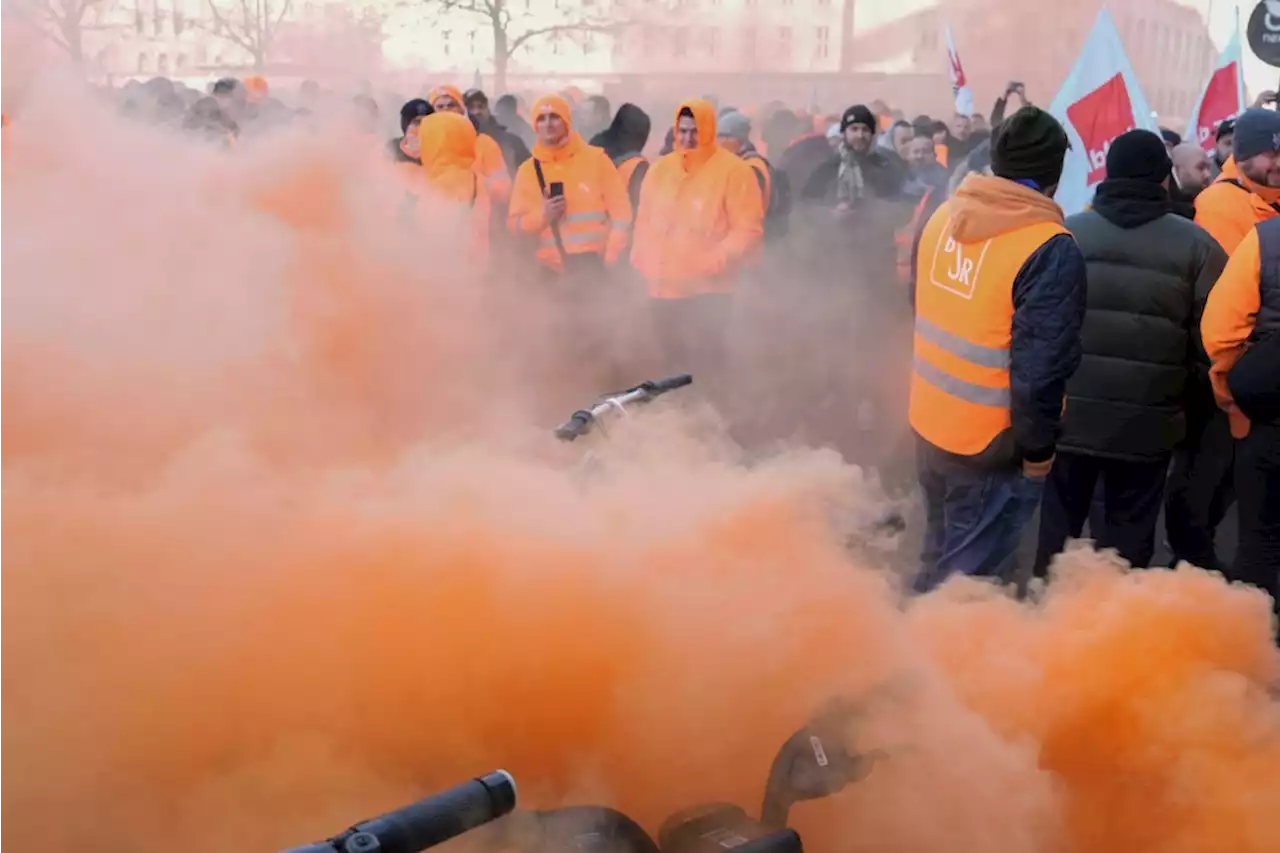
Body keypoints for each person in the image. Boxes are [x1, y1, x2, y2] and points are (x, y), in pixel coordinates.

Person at [909, 107, 1087, 593]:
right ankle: (932, 664)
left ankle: (898, 653)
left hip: (930, 422)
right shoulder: (1049, 246)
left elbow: (917, 302)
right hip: (991, 446)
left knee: (937, 563)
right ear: (1054, 175)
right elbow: (1041, 371)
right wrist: (1038, 453)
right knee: (969, 589)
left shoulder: (945, 215)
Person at [1034, 130, 1227, 575]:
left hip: (1068, 419)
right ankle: (1116, 636)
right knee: (1126, 545)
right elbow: (1213, 342)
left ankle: (1041, 628)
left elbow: (1038, 326)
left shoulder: (1064, 233)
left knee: (1056, 537)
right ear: (1165, 179)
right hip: (1148, 425)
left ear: (1107, 174)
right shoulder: (1198, 247)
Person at [1170, 108, 1280, 570]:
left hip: (1262, 383)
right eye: (1268, 153)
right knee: (1209, 482)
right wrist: (1229, 389)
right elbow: (1221, 308)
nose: (1277, 161)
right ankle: (1193, 566)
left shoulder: (1267, 203)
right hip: (1232, 379)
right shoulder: (1222, 205)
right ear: (1241, 154)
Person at [631, 99, 764, 376]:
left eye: (695, 131)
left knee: (705, 364)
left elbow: (748, 229)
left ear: (709, 130)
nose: (688, 138)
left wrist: (715, 260)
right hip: (661, 288)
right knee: (669, 364)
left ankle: (711, 415)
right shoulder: (659, 169)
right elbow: (644, 220)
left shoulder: (734, 171)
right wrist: (640, 256)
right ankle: (676, 416)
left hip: (709, 291)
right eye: (682, 131)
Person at [1201, 214, 1280, 612]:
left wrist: (1233, 397)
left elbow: (1220, 331)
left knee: (1260, 540)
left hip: (1269, 421)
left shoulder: (1267, 240)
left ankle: (1257, 653)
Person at [507, 94, 631, 277]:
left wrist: (610, 258)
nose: (548, 124)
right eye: (541, 119)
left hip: (593, 271)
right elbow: (514, 224)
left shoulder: (596, 160)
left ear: (567, 121)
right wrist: (542, 216)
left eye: (554, 117)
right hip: (549, 274)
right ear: (535, 126)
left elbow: (622, 213)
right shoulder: (528, 170)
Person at [418, 111, 491, 269]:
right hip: (477, 270)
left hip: (449, 274)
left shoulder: (444, 183)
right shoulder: (476, 178)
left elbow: (433, 236)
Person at [429, 85, 512, 204]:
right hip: (435, 219)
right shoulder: (425, 145)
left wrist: (473, 183)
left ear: (462, 110)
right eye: (440, 106)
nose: (446, 110)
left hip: (477, 219)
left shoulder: (484, 144)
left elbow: (504, 190)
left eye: (451, 105)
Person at [589, 102, 652, 217]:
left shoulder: (592, 149)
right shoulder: (637, 165)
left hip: (589, 227)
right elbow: (638, 208)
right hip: (619, 228)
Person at [463, 88, 531, 175]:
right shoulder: (456, 145)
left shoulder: (512, 142)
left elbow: (530, 173)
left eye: (481, 106)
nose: (477, 112)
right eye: (471, 108)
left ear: (488, 110)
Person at [1169, 142, 1214, 219]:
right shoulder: (1169, 212)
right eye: (1200, 168)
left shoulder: (1216, 203)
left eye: (1208, 168)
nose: (1208, 174)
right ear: (1177, 170)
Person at [388, 98, 433, 166]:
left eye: (427, 121)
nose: (422, 126)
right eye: (417, 122)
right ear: (406, 124)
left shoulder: (441, 147)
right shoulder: (393, 149)